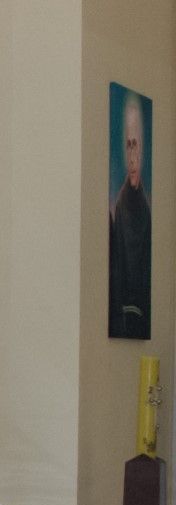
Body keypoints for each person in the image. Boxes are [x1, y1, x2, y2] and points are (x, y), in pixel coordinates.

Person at [110, 93, 152, 340]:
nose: (133, 158)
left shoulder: (146, 210)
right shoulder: (120, 207)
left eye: (136, 145)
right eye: (129, 146)